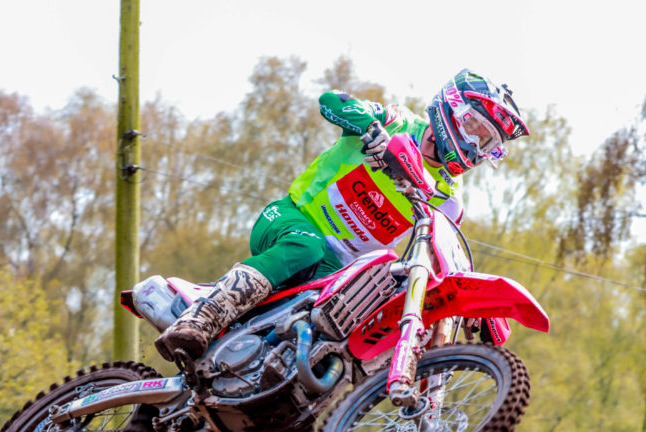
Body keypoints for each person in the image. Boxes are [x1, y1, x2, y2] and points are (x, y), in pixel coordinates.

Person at [154, 70, 531, 370]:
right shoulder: (398, 122)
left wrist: (473, 308)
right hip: (293, 218)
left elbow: (440, 255)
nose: (476, 147)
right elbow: (331, 101)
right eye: (476, 130)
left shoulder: (448, 197)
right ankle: (201, 317)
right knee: (306, 246)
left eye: (488, 143)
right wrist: (368, 127)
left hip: (339, 271)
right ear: (454, 110)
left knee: (355, 322)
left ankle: (276, 403)